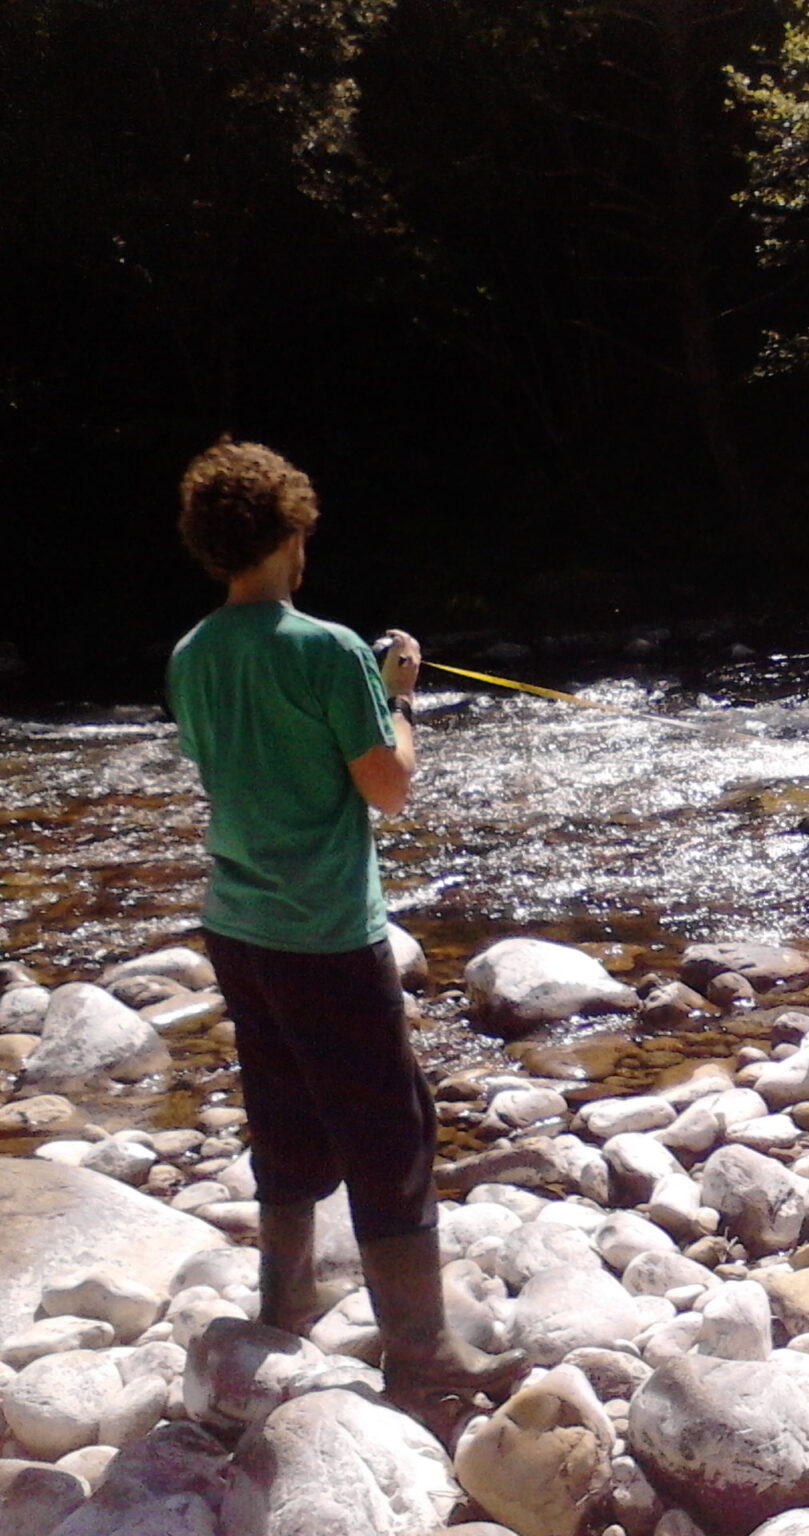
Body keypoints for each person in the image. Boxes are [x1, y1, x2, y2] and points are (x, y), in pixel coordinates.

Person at [166, 438, 518, 1414]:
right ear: (290, 531)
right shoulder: (326, 649)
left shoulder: (192, 654)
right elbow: (388, 787)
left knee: (282, 1107)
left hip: (237, 925)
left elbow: (247, 757)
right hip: (324, 928)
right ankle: (421, 1349)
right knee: (387, 1127)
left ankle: (286, 1300)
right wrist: (397, 694)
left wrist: (357, 693)